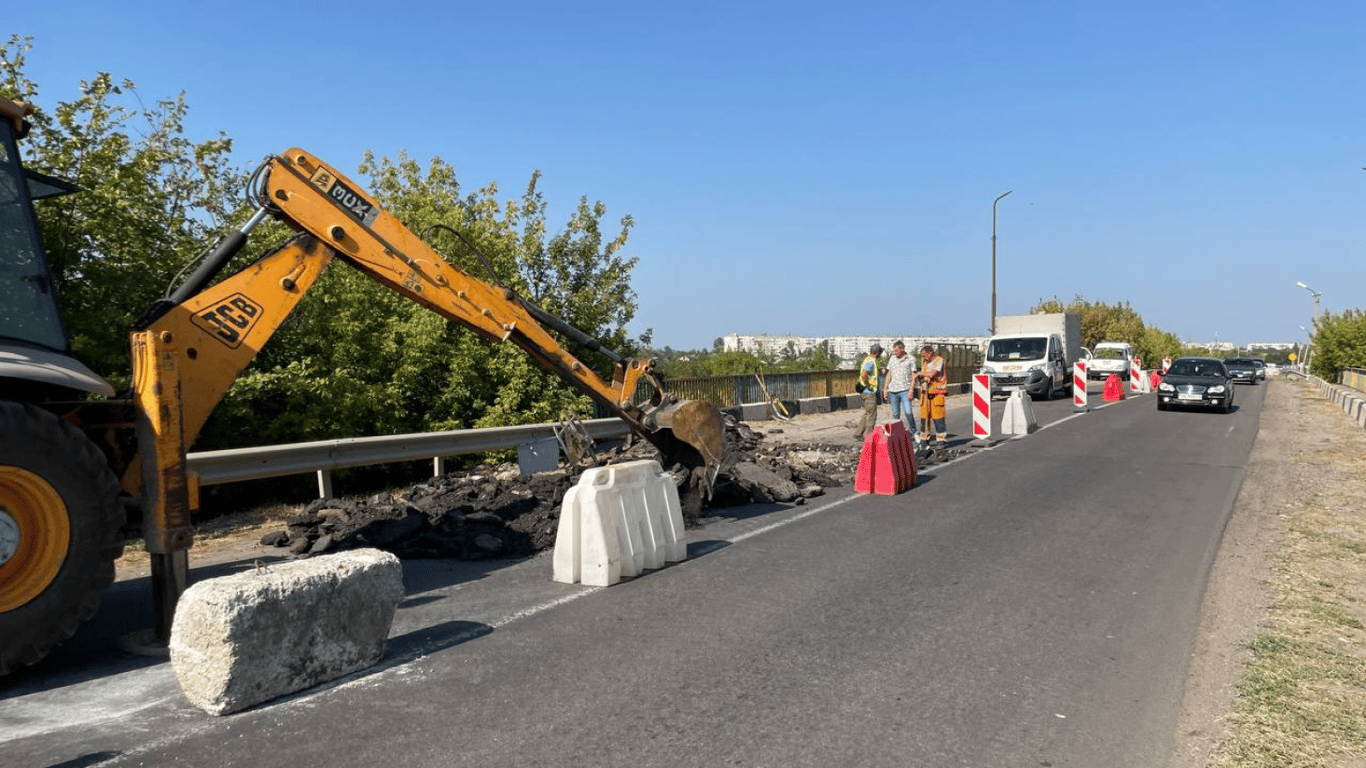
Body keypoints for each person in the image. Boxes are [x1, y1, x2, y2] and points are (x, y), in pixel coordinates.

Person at [914, 344, 949, 446]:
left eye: (924, 355)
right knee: (925, 417)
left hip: (937, 393)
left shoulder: (939, 360)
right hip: (925, 393)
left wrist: (920, 374)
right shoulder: (925, 362)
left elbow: (932, 373)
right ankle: (924, 439)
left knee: (938, 417)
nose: (923, 357)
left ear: (930, 354)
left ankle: (941, 440)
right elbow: (924, 376)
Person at [881, 340, 917, 436]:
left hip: (905, 389)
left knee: (908, 412)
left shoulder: (911, 359)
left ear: (902, 349)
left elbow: (914, 375)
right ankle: (896, 434)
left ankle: (913, 432)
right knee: (895, 414)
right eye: (894, 351)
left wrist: (911, 390)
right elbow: (889, 374)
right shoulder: (892, 359)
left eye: (897, 350)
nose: (895, 353)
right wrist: (885, 388)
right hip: (893, 390)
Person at [853, 343, 883, 441]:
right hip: (869, 392)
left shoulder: (867, 360)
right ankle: (870, 438)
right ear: (876, 353)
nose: (881, 354)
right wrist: (868, 385)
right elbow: (864, 374)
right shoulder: (870, 361)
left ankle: (858, 434)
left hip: (865, 392)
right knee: (872, 415)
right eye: (880, 352)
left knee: (867, 413)